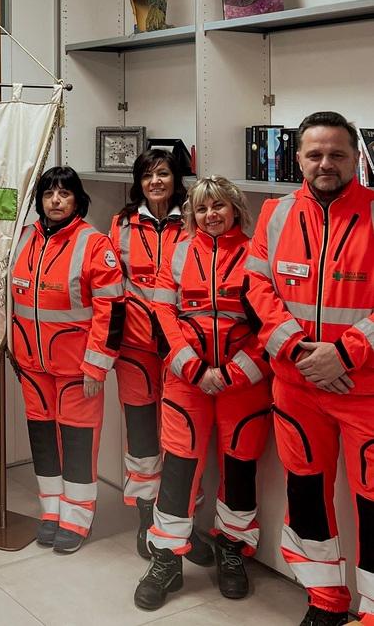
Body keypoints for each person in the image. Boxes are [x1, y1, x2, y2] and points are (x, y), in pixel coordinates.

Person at [245, 111, 374, 626]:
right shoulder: (273, 214)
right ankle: (325, 601)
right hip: (296, 389)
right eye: (315, 154)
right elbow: (257, 290)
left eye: (337, 154)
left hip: (365, 392)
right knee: (307, 496)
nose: (326, 164)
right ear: (297, 158)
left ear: (354, 158)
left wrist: (343, 354)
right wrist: (302, 352)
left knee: (373, 507)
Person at [134, 176, 272, 610]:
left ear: (235, 208)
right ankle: (167, 559)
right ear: (191, 214)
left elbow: (271, 323)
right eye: (201, 208)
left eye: (218, 206)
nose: (210, 215)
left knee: (240, 466)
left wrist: (235, 372)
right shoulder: (179, 252)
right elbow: (161, 312)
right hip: (186, 381)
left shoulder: (257, 254)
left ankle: (233, 550)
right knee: (178, 469)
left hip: (242, 384)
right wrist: (193, 367)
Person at [9, 166, 125, 553]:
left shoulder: (94, 244)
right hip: (32, 365)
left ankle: (77, 518)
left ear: (78, 199)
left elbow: (112, 310)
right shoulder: (24, 239)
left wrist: (97, 365)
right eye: (48, 194)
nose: (55, 201)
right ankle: (51, 511)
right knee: (43, 439)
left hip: (79, 369)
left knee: (77, 442)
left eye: (64, 193)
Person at [110, 148, 213, 563]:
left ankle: (180, 521)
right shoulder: (121, 223)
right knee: (142, 440)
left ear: (177, 179)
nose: (156, 181)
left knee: (182, 439)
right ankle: (145, 517)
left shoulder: (192, 222)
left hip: (181, 350)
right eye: (149, 174)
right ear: (138, 180)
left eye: (164, 174)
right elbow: (111, 285)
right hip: (134, 348)